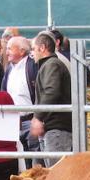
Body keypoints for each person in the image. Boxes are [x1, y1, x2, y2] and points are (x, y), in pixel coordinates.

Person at [30, 31, 72, 168]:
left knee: (57, 174)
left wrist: (38, 117)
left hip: (57, 128)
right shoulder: (49, 65)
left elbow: (51, 91)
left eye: (33, 49)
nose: (32, 53)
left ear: (42, 48)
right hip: (53, 126)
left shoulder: (51, 65)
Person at [1, 36, 41, 168]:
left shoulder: (33, 66)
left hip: (31, 119)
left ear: (22, 51)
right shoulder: (10, 69)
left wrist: (38, 117)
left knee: (36, 156)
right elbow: (4, 90)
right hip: (15, 120)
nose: (6, 52)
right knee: (24, 158)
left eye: (10, 49)